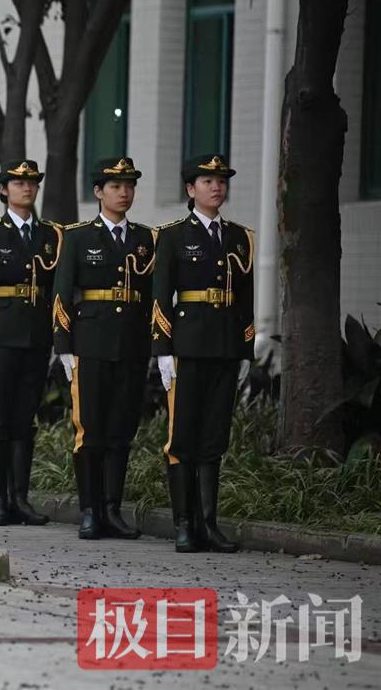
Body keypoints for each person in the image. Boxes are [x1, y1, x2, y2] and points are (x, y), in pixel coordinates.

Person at [152, 153, 254, 553]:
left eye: (221, 180)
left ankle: (208, 524)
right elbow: (161, 298)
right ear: (190, 189)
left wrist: (246, 349)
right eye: (208, 180)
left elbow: (245, 296)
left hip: (225, 346)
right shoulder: (173, 236)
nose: (217, 187)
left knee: (214, 437)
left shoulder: (239, 238)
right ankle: (184, 524)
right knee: (183, 437)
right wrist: (163, 350)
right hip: (187, 347)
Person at [51, 157, 154, 540]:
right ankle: (90, 510)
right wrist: (64, 346)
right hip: (89, 343)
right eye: (115, 186)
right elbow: (62, 294)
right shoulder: (77, 237)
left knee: (121, 430)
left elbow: (153, 297)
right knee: (90, 431)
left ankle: (113, 509)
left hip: (132, 343)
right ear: (98, 192)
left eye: (129, 185)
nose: (123, 192)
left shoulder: (146, 239)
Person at [0, 159, 63, 526]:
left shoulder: (52, 236)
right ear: (4, 189)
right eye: (18, 183)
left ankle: (20, 498)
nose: (27, 188)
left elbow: (57, 292)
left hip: (37, 337)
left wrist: (59, 338)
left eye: (32, 183)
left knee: (26, 420)